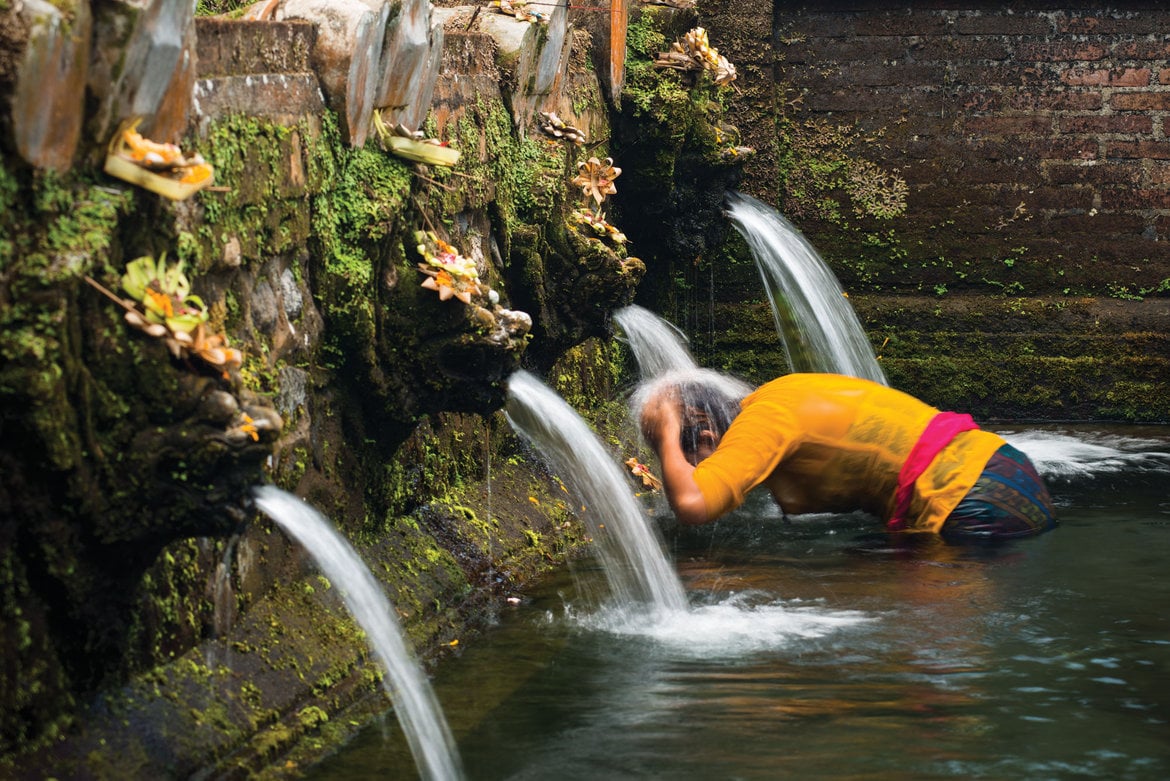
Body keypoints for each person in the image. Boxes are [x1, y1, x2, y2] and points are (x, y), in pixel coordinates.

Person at [635, 370, 1058, 542]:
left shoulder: (761, 424)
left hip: (965, 498)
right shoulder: (778, 392)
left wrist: (665, 430)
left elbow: (692, 503)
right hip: (1003, 465)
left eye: (691, 458)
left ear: (707, 432)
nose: (693, 469)